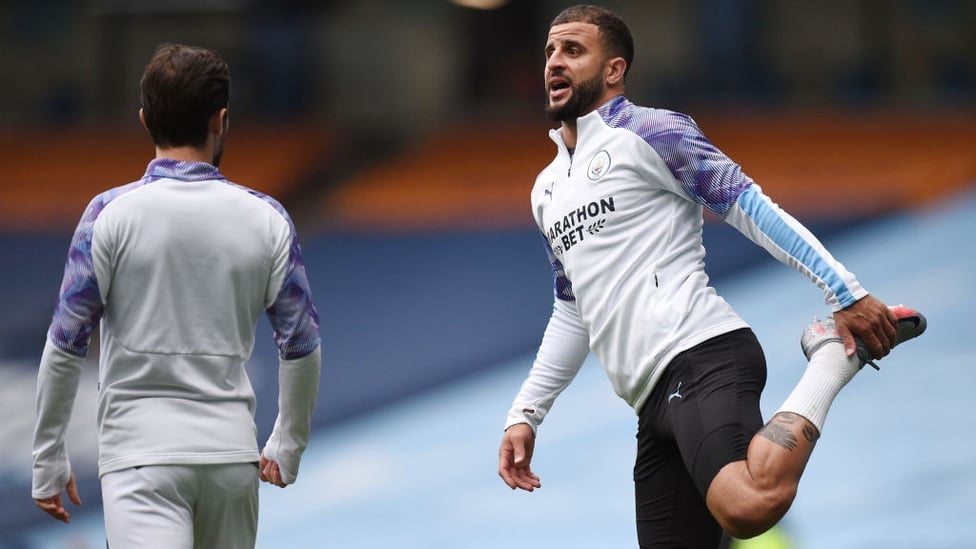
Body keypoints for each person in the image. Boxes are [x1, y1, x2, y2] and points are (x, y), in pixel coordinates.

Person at [496, 5, 926, 547]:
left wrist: (843, 291)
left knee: (747, 505)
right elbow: (572, 308)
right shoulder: (546, 189)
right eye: (550, 52)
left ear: (614, 70)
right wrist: (525, 414)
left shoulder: (652, 132)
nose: (555, 62)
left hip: (701, 354)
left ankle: (834, 358)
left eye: (574, 51)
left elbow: (753, 208)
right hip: (650, 403)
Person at [31, 44, 322, 548]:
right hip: (231, 459)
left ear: (145, 120)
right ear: (221, 120)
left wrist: (48, 455)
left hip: (140, 460)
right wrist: (288, 442)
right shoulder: (268, 218)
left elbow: (66, 343)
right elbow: (301, 344)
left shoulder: (107, 215)